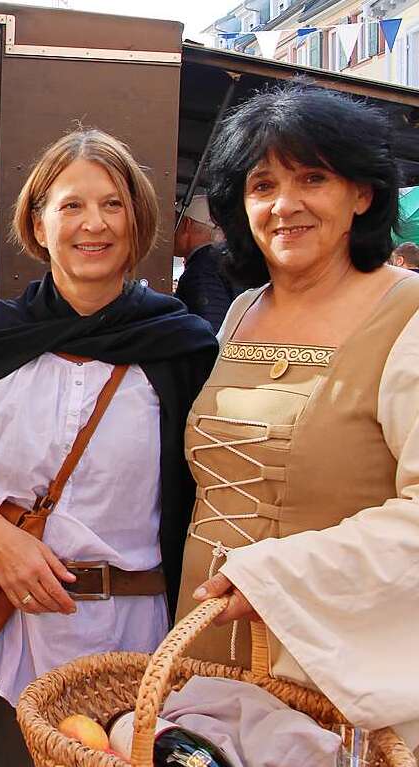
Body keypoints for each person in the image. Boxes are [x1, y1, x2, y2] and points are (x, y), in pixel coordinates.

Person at [0, 128, 217, 766]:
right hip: (11, 639)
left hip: (140, 646)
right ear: (39, 223)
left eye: (112, 204)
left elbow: (211, 501)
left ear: (138, 222)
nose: (93, 224)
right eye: (71, 205)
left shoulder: (182, 348)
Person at [176, 82, 419, 749]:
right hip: (204, 646)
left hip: (331, 665)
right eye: (262, 185)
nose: (285, 204)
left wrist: (274, 578)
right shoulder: (241, 311)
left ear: (362, 193)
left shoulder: (409, 315)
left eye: (313, 177)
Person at [174, 195, 239, 332]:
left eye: (174, 222)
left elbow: (209, 330)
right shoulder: (229, 260)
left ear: (186, 224)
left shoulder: (201, 268)